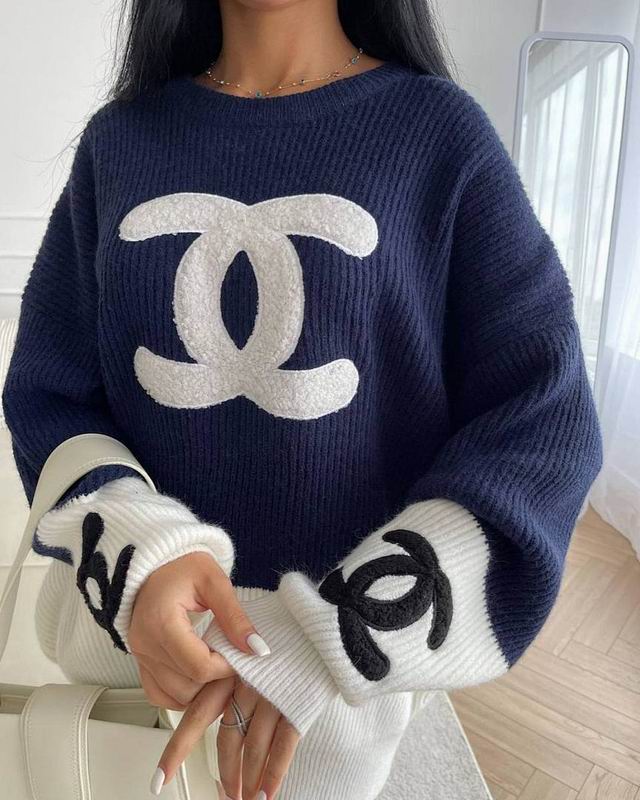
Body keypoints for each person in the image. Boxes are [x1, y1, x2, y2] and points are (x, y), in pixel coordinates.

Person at [1, 1, 604, 799]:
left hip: (331, 712)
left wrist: (332, 634)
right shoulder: (120, 143)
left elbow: (544, 423)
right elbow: (51, 396)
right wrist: (144, 555)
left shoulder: (439, 136)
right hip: (135, 674)